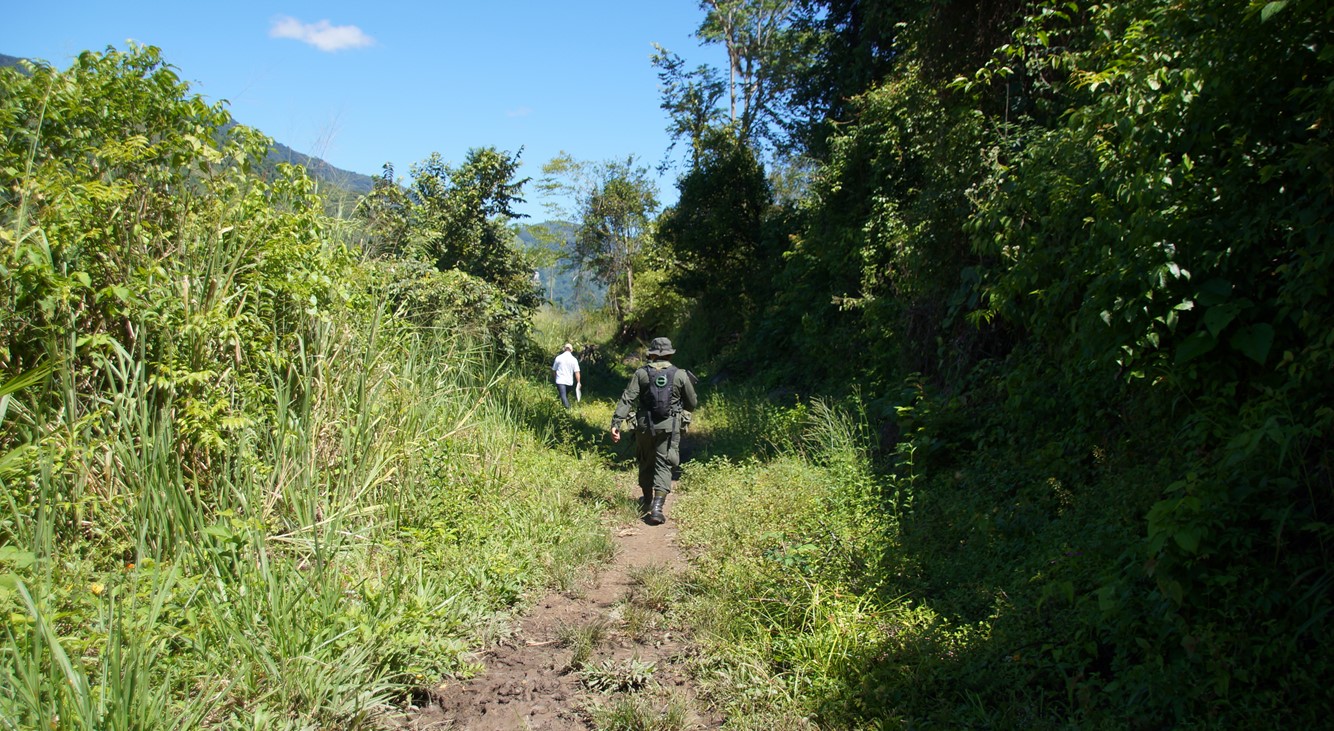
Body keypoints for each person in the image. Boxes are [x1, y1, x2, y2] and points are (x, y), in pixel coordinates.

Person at [610, 337, 698, 525]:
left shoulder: (641, 374)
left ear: (651, 354)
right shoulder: (680, 375)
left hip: (643, 426)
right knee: (664, 463)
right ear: (669, 354)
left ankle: (647, 499)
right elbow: (692, 403)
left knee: (645, 460)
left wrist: (616, 423)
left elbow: (627, 399)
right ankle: (657, 509)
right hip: (669, 427)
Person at [551, 343, 581, 409]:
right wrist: (578, 382)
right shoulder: (574, 360)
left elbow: (554, 370)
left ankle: (568, 409)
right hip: (569, 382)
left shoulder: (558, 358)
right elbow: (577, 372)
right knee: (563, 395)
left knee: (563, 396)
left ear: (564, 349)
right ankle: (558, 408)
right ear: (571, 350)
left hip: (560, 381)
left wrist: (555, 379)